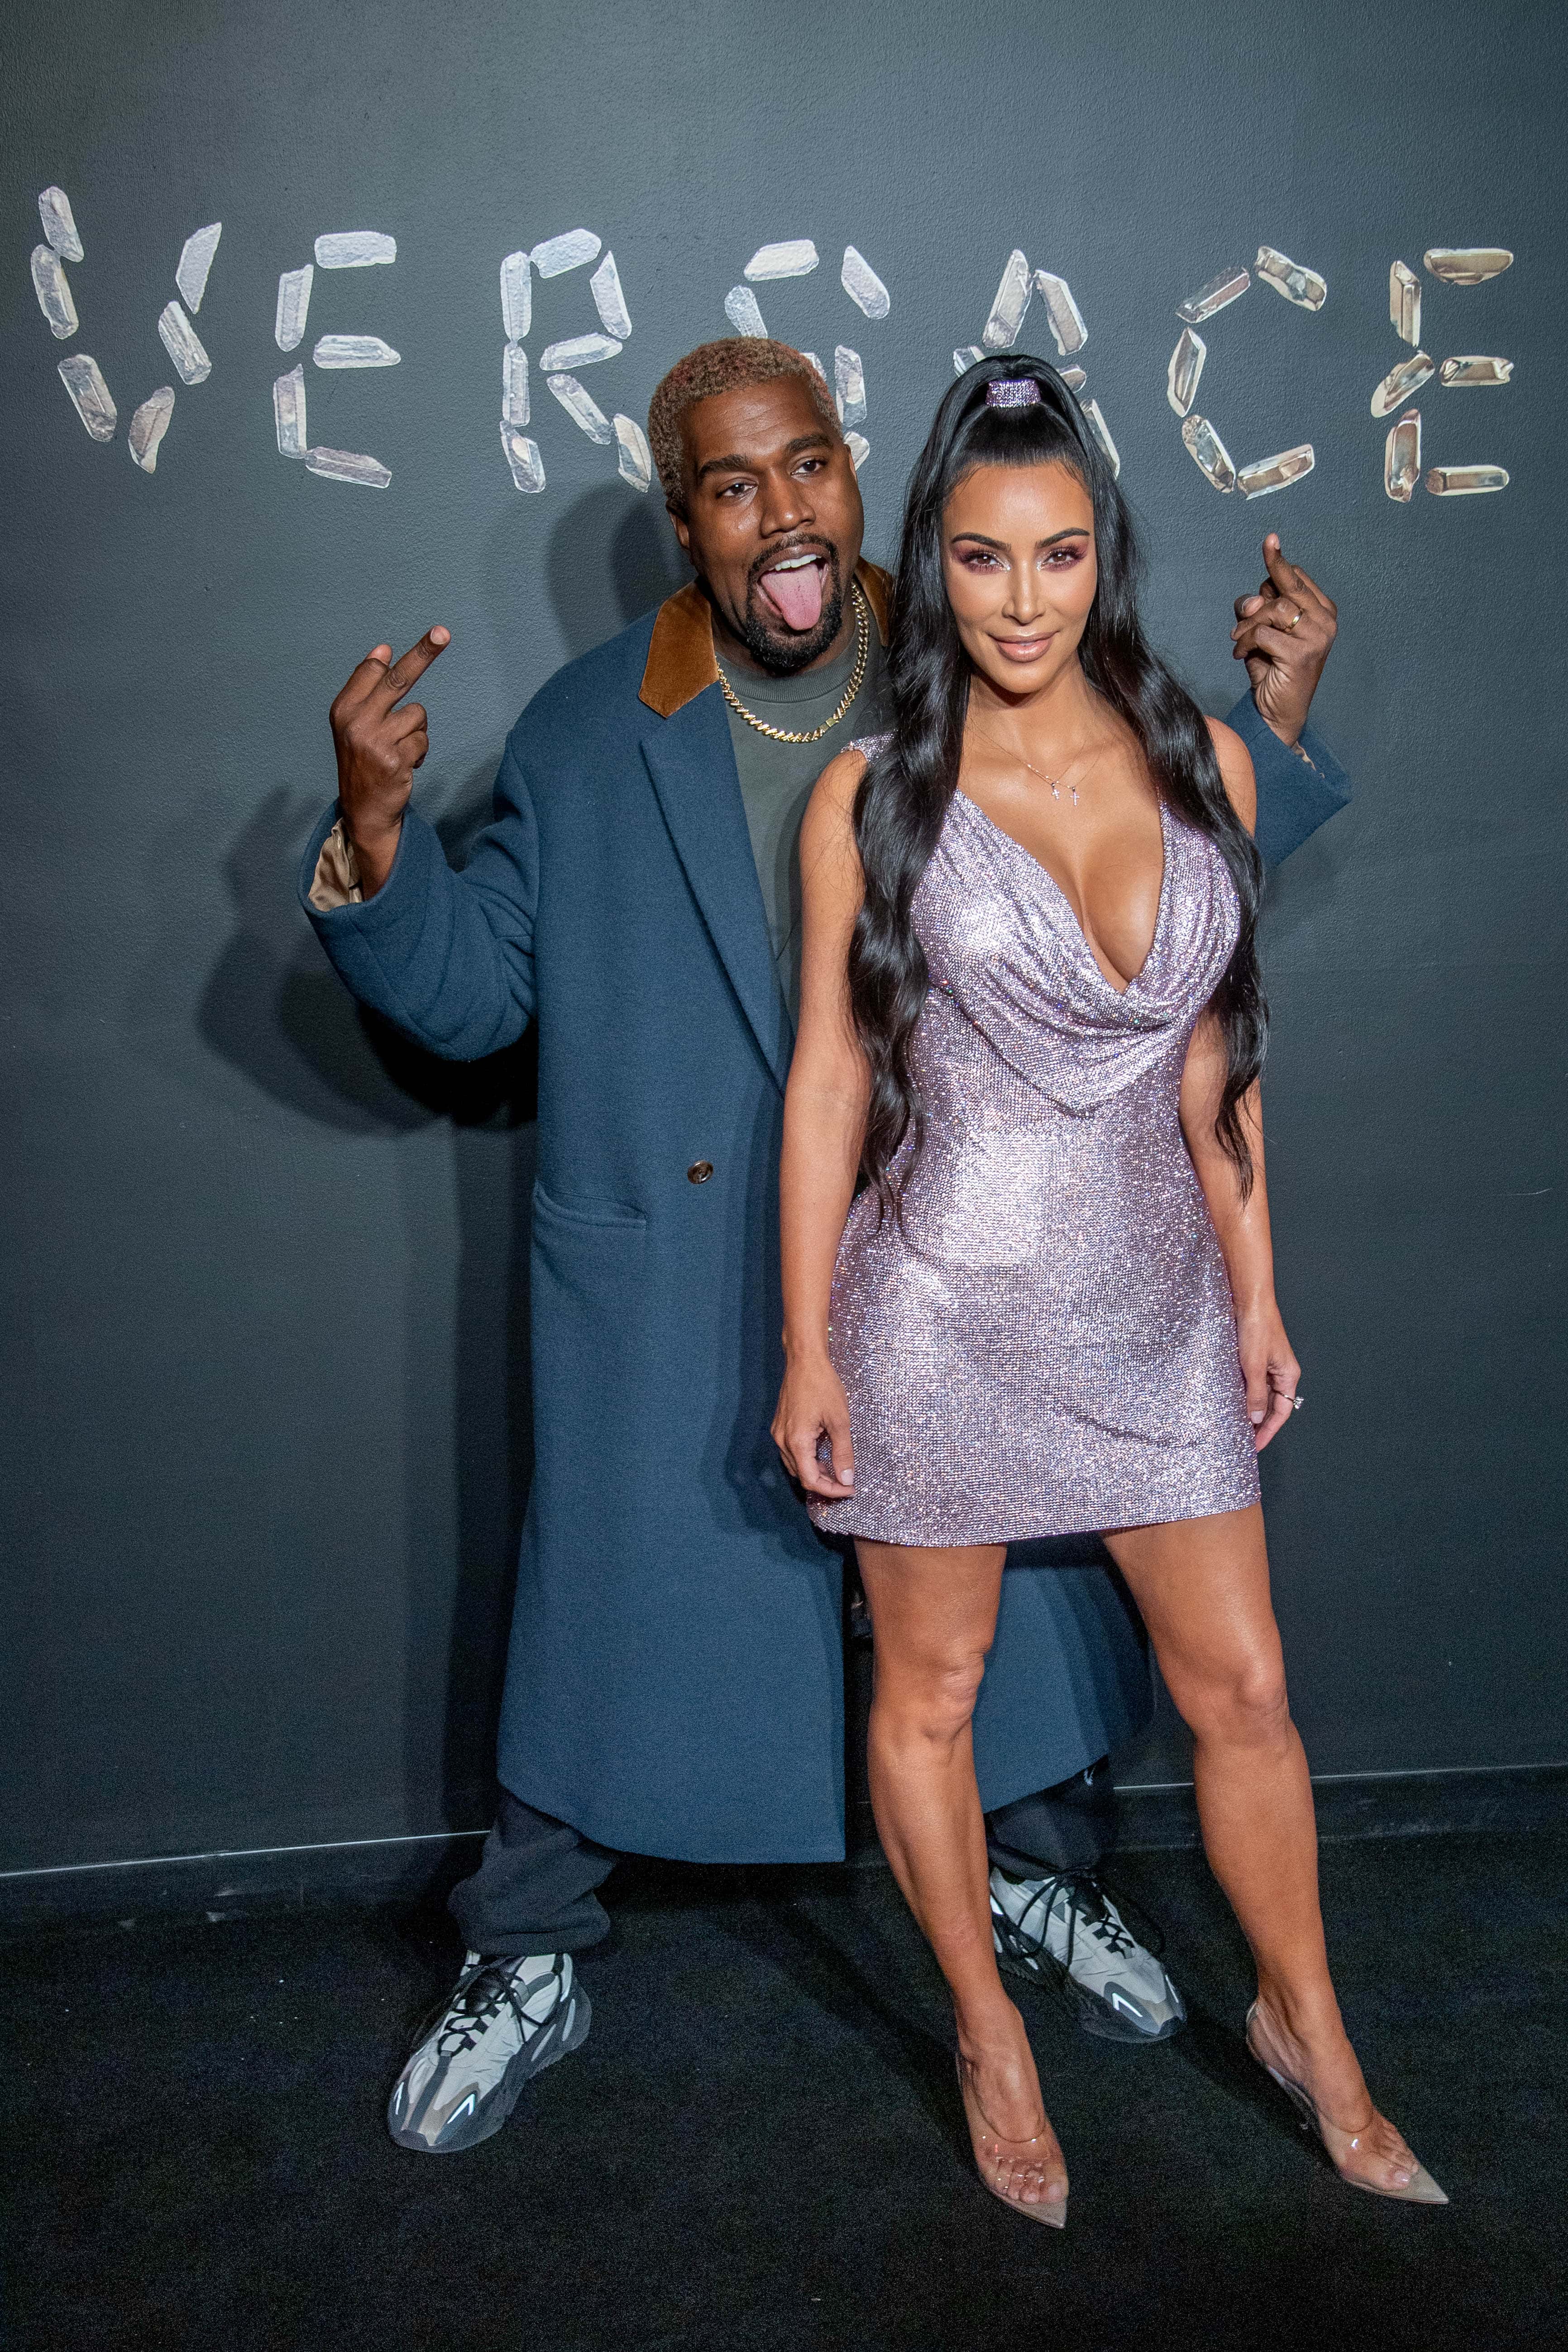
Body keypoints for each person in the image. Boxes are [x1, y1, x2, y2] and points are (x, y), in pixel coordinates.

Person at [299, 338, 1349, 2157]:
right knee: (614, 1602)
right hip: (694, 1256)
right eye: (732, 484)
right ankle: (527, 1942)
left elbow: (1150, 854)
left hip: (979, 1244)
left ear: (856, 474)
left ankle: (1033, 1873)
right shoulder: (585, 729)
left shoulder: (962, 638)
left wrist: (1277, 733)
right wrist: (378, 843)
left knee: (1019, 1620)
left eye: (805, 466)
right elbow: (475, 1002)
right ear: (683, 522)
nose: (781, 511)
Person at [771, 356, 1444, 2223]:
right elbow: (827, 1084)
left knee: (1244, 1688)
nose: (1020, 601)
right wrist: (806, 1343)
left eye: (1057, 555)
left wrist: (1254, 1289)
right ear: (936, 558)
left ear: (1104, 556)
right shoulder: (869, 795)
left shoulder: (1209, 761)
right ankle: (988, 2031)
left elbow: (1218, 1059)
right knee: (933, 1692)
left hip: (1152, 1309)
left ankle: (1308, 2027)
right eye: (981, 557)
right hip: (935, 1311)